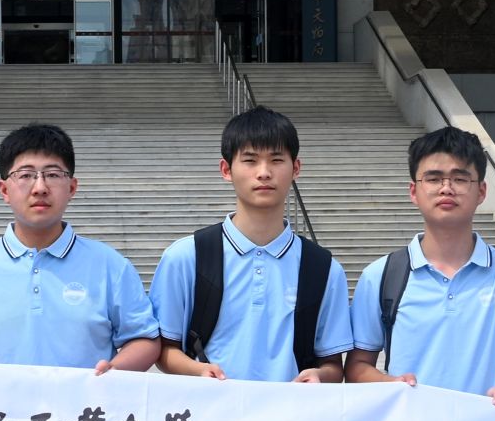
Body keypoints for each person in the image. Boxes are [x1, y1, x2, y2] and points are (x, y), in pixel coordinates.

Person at [0, 123, 160, 372]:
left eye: (53, 175)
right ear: (4, 190)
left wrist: (113, 370)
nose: (40, 188)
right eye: (25, 175)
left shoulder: (110, 265)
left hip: (83, 398)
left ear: (72, 188)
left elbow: (145, 338)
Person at [347, 125, 495, 400]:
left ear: (481, 191)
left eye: (460, 178)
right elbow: (357, 366)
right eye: (433, 178)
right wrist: (391, 384)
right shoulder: (381, 276)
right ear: (413, 191)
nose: (446, 188)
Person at [150, 106, 351, 383]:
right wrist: (198, 370)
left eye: (276, 160)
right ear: (226, 169)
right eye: (250, 160)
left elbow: (332, 364)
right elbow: (164, 349)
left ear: (296, 168)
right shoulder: (186, 257)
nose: (264, 172)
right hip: (211, 406)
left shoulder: (323, 268)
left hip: (290, 409)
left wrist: (320, 375)